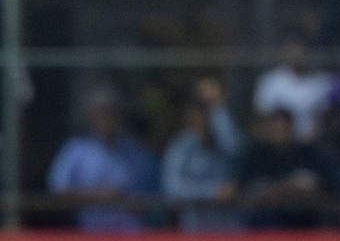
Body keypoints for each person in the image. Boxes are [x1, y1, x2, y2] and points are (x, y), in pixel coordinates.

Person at [46, 84, 157, 232]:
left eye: (113, 112)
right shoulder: (76, 149)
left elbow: (154, 194)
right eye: (102, 112)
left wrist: (134, 202)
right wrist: (99, 195)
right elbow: (57, 190)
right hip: (89, 235)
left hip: (131, 236)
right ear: (90, 115)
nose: (108, 118)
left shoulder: (136, 150)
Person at [160, 76, 243, 231]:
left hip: (231, 231)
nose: (205, 116)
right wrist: (212, 191)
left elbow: (236, 150)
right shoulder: (180, 146)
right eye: (201, 110)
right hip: (197, 232)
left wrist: (217, 106)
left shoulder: (227, 142)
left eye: (209, 110)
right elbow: (172, 187)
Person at [253, 37, 333, 143]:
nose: (297, 54)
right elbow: (261, 119)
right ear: (283, 52)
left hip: (313, 145)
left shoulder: (322, 81)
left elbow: (326, 119)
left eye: (300, 49)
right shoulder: (270, 81)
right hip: (277, 145)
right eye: (292, 49)